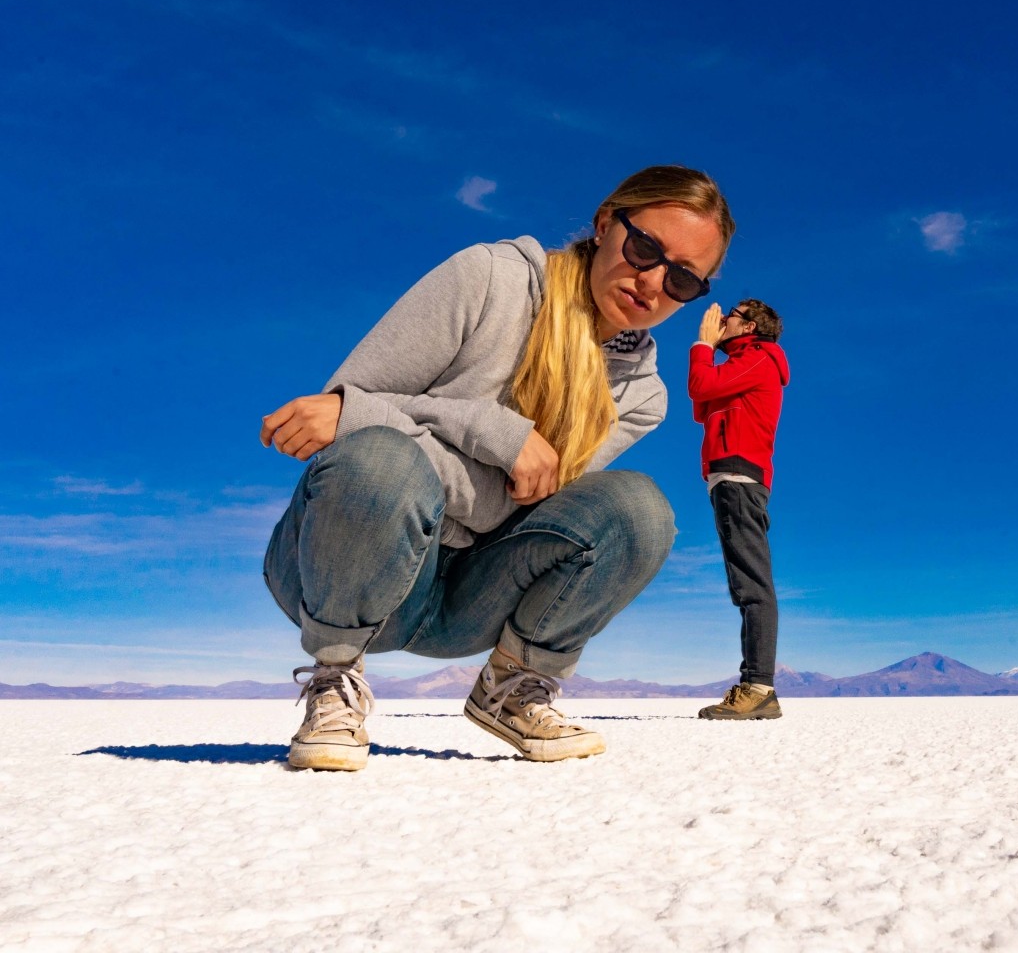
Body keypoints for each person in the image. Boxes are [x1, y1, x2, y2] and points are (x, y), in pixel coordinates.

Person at [260, 165, 736, 770]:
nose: (652, 282)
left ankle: (514, 685)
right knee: (380, 459)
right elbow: (344, 430)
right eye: (645, 248)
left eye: (683, 279)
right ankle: (333, 679)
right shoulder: (490, 279)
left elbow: (516, 504)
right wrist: (496, 434)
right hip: (338, 574)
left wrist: (462, 456)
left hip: (466, 599)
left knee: (639, 510)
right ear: (605, 223)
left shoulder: (643, 398)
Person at [688, 299, 790, 721]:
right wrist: (711, 353)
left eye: (732, 313)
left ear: (750, 326)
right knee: (747, 580)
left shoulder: (758, 359)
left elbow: (700, 388)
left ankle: (759, 687)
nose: (722, 317)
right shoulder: (743, 363)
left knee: (751, 583)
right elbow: (703, 407)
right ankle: (758, 686)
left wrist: (701, 345)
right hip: (730, 477)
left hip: (739, 476)